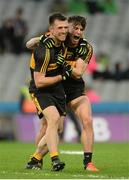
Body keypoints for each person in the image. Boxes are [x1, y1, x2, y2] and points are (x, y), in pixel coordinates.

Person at [26, 15, 99, 172]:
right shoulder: (58, 38)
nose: (78, 32)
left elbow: (78, 73)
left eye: (81, 29)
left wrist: (63, 63)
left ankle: (88, 163)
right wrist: (40, 39)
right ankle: (36, 157)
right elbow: (29, 44)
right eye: (75, 28)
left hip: (74, 88)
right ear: (67, 28)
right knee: (52, 126)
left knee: (87, 120)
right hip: (56, 86)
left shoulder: (85, 47)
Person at [26, 12, 70, 171]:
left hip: (57, 90)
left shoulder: (65, 39)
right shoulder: (44, 50)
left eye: (66, 27)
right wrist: (62, 76)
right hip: (41, 90)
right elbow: (39, 81)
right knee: (52, 119)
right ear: (51, 30)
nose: (64, 31)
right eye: (60, 28)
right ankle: (55, 159)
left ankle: (35, 159)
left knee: (57, 128)